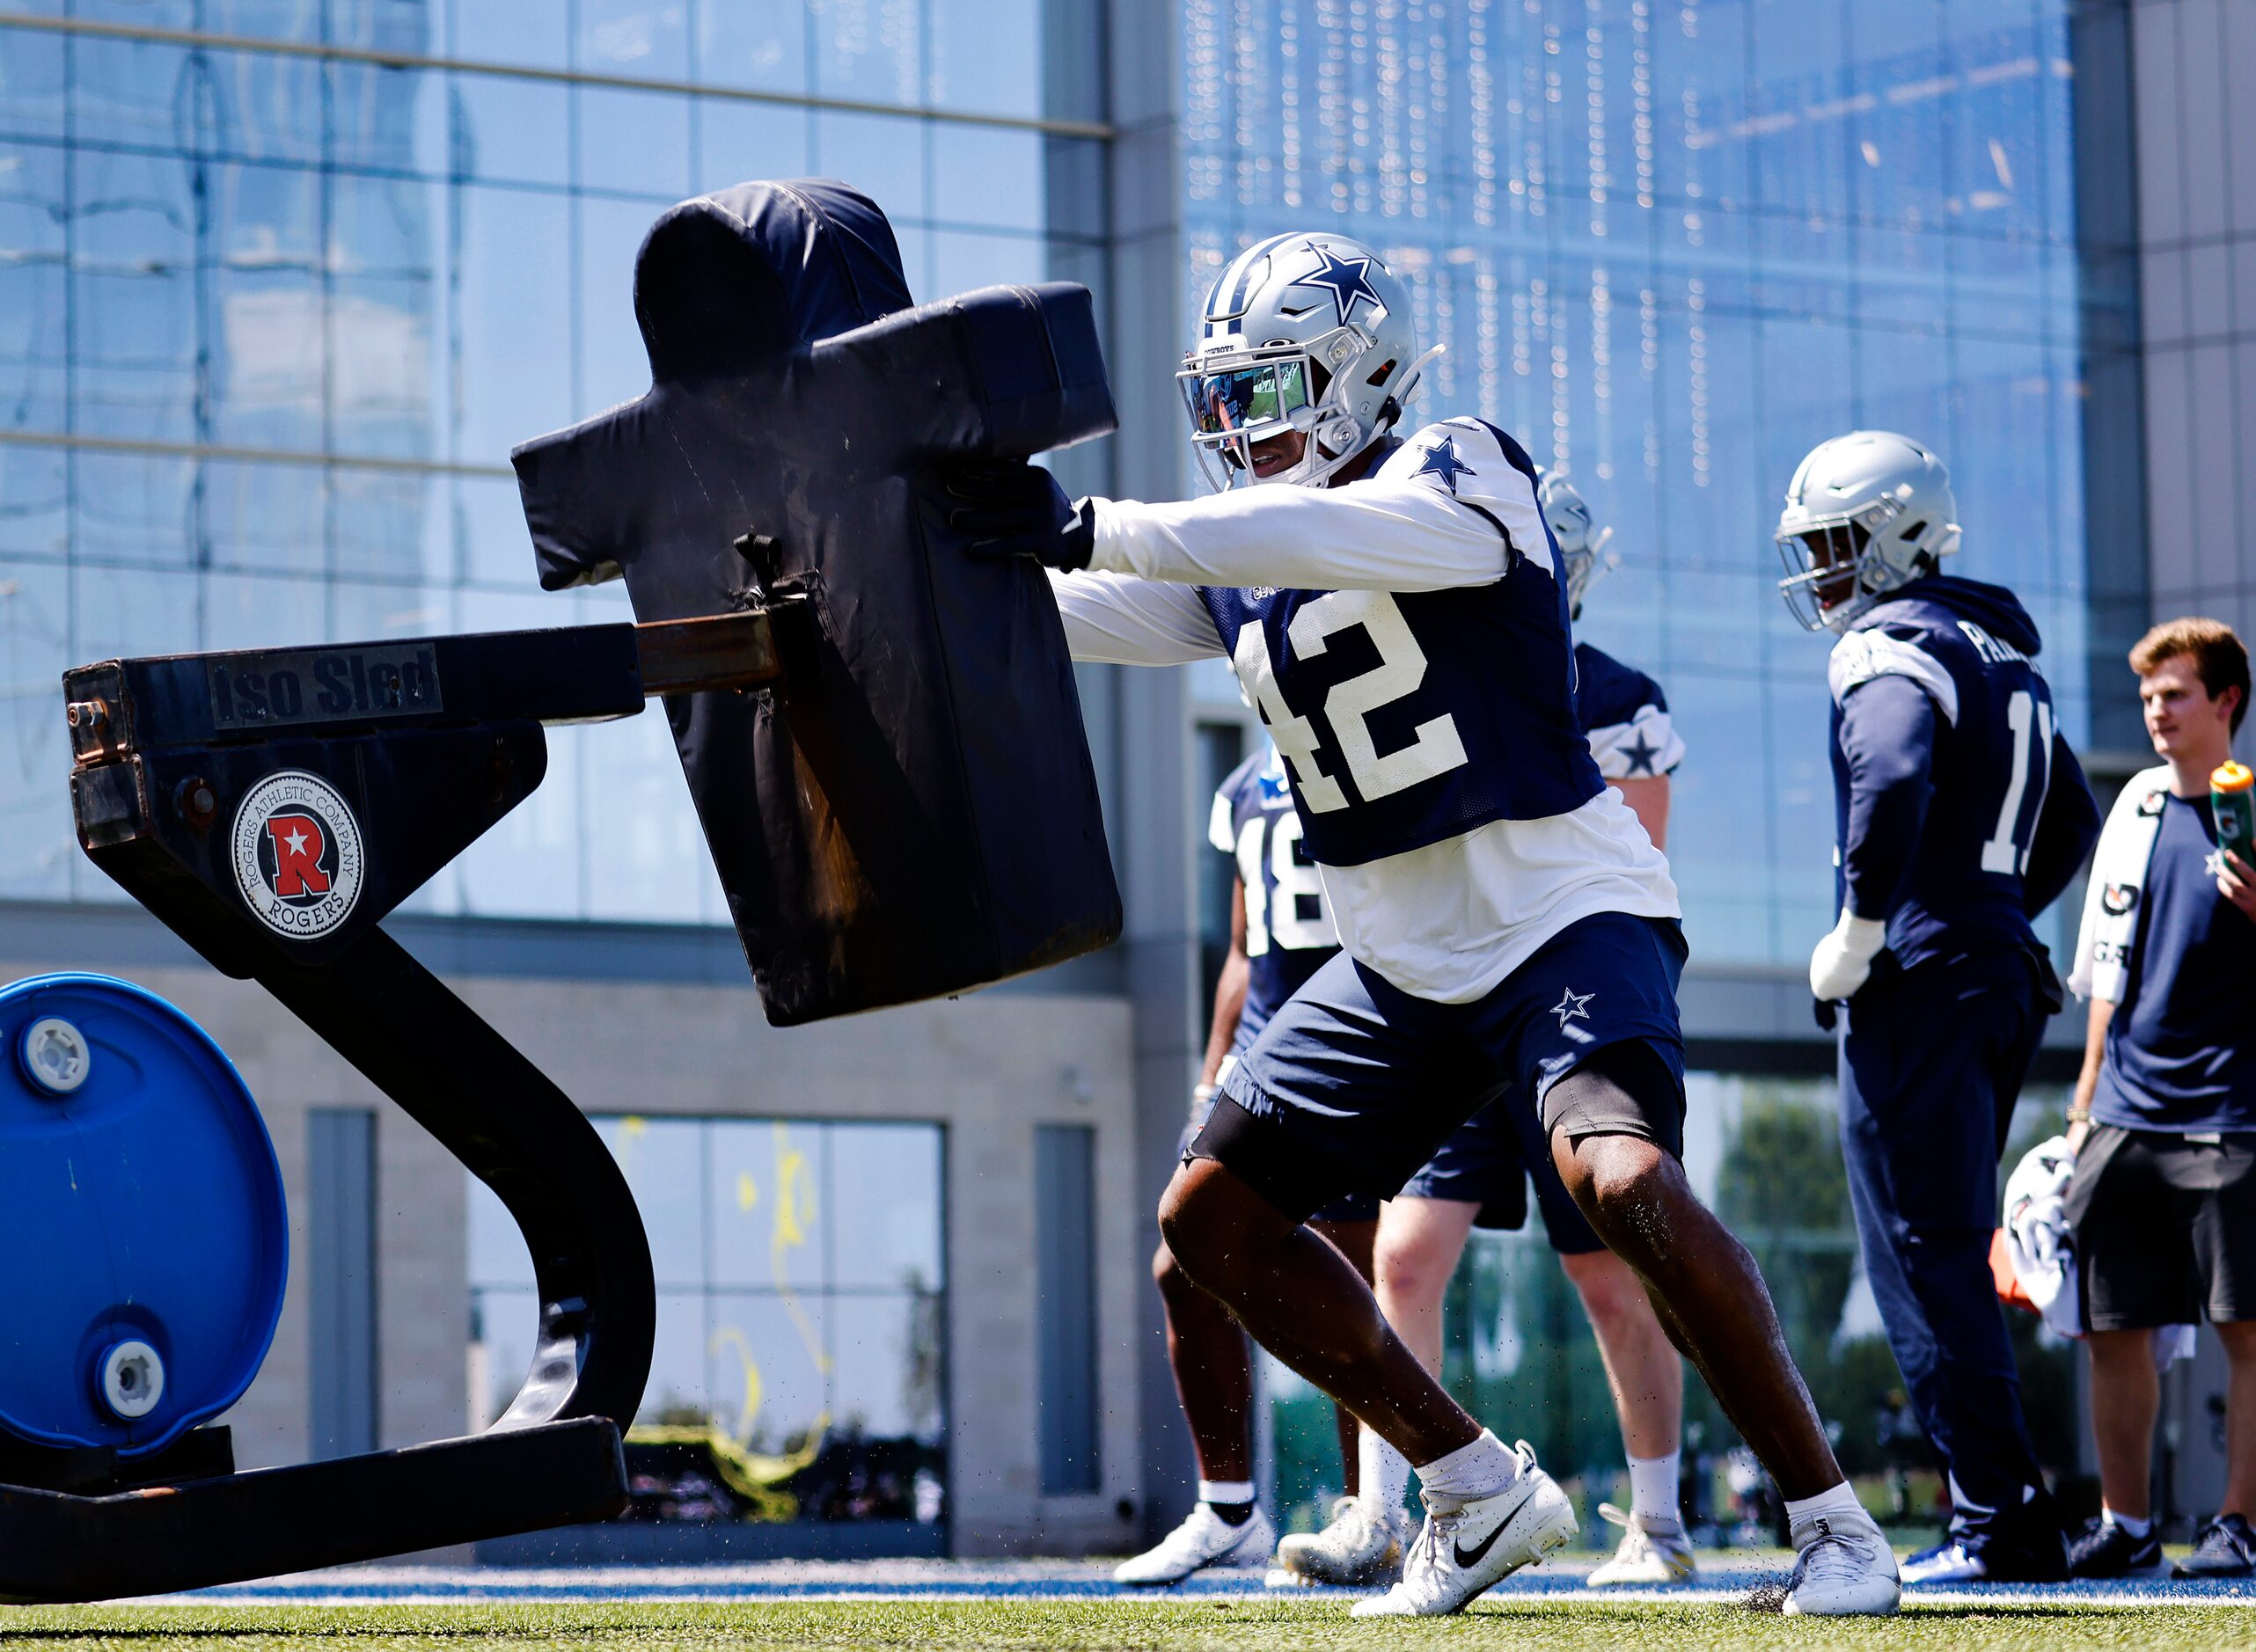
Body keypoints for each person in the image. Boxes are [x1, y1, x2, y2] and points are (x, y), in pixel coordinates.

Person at [939, 231, 1899, 1618]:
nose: (1239, 427)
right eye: (1226, 397)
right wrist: (911, 577)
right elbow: (1062, 611)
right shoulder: (1243, 550)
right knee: (1207, 1224)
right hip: (1400, 966)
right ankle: (1468, 1485)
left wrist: (1094, 520)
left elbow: (1295, 538)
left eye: (1268, 392)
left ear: (1359, 371)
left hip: (1562, 914)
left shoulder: (1457, 464)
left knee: (1620, 1183)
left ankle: (1834, 1526)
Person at [1360, 473, 1697, 1590]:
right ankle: (1388, 1512)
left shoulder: (1615, 696)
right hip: (1453, 1006)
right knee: (1403, 1255)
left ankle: (1657, 1520)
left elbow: (1628, 869)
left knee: (1610, 1274)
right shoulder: (1434, 672)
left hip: (1558, 1007)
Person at [1776, 430, 2101, 1584]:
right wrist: (1998, 911)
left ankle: (1999, 1518)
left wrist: (1867, 926)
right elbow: (2070, 815)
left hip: (1923, 974)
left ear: (1895, 534)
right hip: (1996, 966)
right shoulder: (2000, 650)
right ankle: (2008, 1505)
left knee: (1926, 1251)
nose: (1819, 570)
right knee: (1948, 1243)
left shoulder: (1891, 639)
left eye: (1832, 543)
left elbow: (1896, 770)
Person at [1116, 741, 1390, 1585]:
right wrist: (1209, 1073)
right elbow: (1242, 949)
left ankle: (1365, 1512)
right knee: (1182, 1267)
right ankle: (1230, 1509)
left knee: (1348, 1273)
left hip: (1355, 1037)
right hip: (1268, 1050)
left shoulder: (1369, 744)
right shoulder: (1240, 787)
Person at [2062, 618, 2256, 1580]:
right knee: (2109, 1329)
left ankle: (2237, 1525)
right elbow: (2101, 962)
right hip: (2123, 1110)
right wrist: (2085, 1099)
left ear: (2223, 701)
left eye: (2173, 693)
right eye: (2146, 695)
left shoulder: (2253, 805)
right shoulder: (2134, 802)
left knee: (2243, 1332)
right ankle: (2125, 1523)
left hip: (2232, 1108)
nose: (2154, 710)